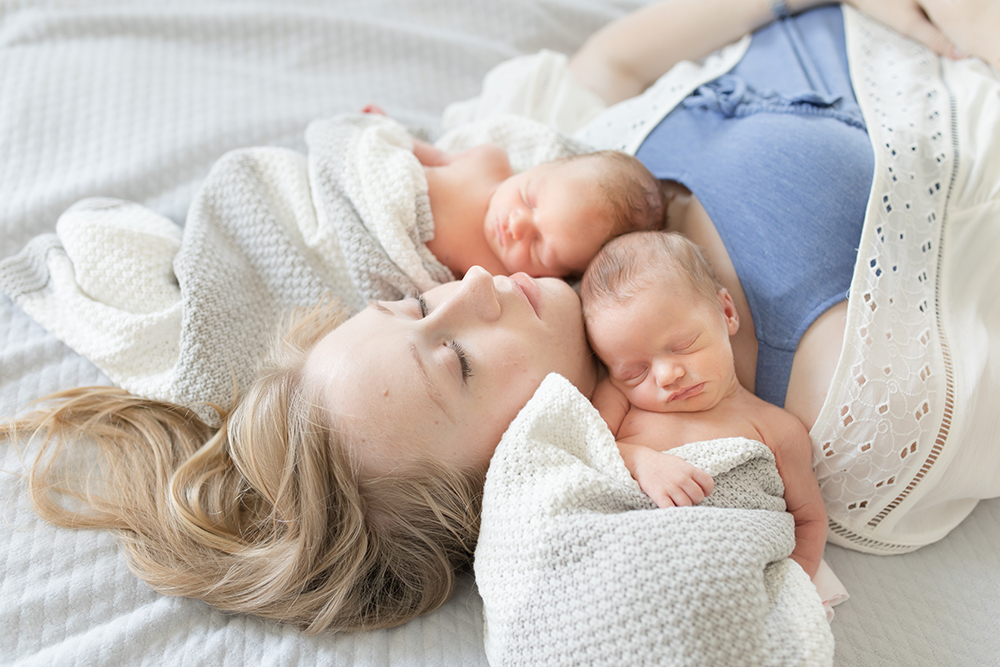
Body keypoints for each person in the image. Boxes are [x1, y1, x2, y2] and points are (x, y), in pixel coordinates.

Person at [4, 0, 998, 635]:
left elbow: (610, 63)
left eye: (413, 302)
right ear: (524, 457)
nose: (471, 288)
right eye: (459, 361)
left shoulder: (557, 213)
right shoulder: (859, 411)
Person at [581, 231, 826, 577]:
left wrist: (794, 590)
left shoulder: (777, 429)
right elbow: (585, 451)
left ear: (726, 312)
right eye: (635, 372)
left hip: (728, 572)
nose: (666, 375)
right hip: (626, 562)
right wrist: (643, 463)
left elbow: (808, 520)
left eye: (683, 345)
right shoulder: (620, 398)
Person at [362, 103, 665, 280]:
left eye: (539, 246)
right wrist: (389, 131)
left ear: (554, 276)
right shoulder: (487, 162)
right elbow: (432, 156)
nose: (518, 225)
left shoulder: (493, 278)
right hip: (368, 185)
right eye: (530, 200)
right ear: (542, 166)